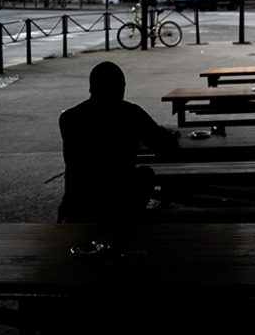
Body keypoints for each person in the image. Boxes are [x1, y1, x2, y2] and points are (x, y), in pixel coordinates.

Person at [58, 61, 178, 222]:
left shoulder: (69, 118)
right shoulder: (132, 114)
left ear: (91, 87)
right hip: (123, 198)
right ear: (121, 88)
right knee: (145, 174)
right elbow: (167, 148)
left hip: (79, 202)